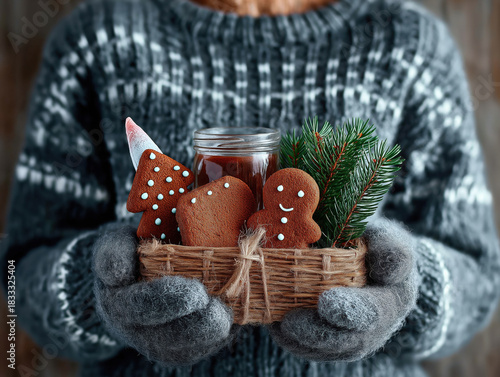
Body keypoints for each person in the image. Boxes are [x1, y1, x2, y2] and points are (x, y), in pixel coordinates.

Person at [2, 0, 499, 376]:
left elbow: (480, 276)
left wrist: (405, 290)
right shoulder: (100, 36)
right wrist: (98, 294)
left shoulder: (409, 43)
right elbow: (15, 273)